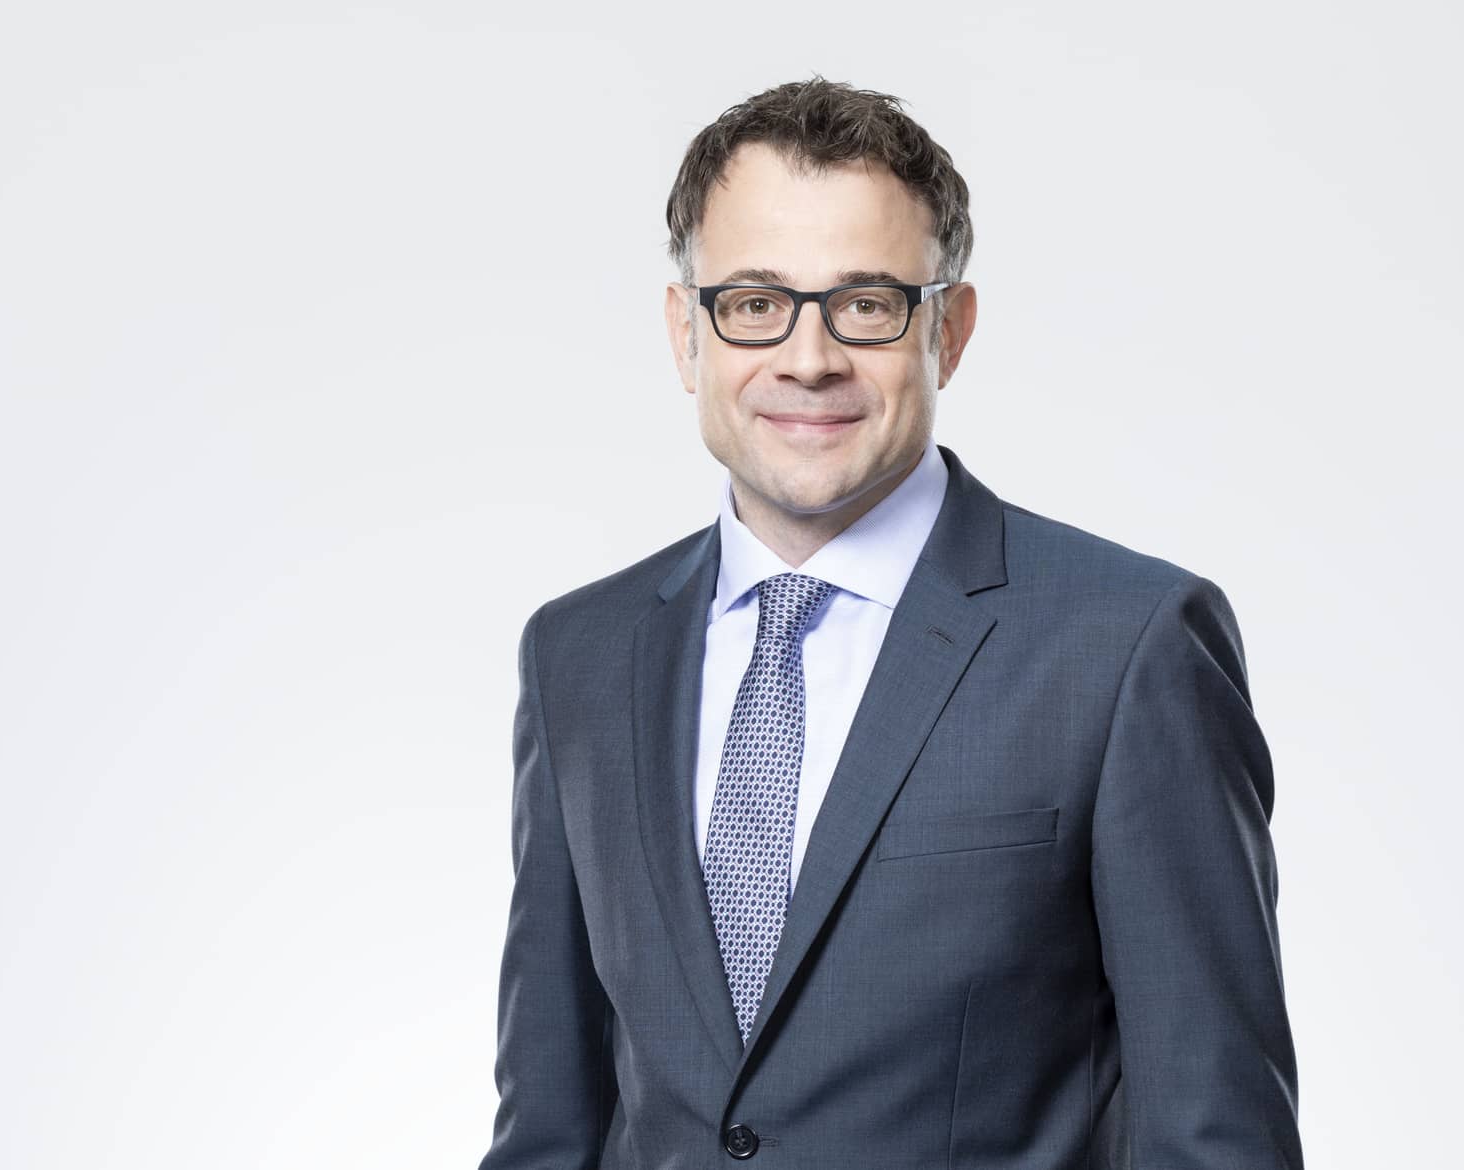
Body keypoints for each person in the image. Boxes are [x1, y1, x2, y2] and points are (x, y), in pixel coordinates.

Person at [477, 76, 1303, 1168]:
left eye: (865, 304)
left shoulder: (1124, 647)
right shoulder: (580, 655)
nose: (808, 358)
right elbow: (549, 1130)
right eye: (754, 303)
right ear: (686, 333)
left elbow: (1218, 1138)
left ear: (947, 331)